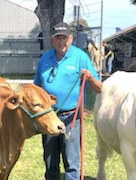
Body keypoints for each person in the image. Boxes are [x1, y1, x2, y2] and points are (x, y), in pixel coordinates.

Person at [34, 22, 102, 180]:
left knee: (71, 162)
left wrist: (90, 78)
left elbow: (99, 88)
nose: (61, 42)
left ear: (71, 38)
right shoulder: (45, 58)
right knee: (50, 162)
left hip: (71, 119)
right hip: (49, 117)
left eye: (64, 37)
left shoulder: (80, 57)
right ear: (52, 40)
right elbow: (36, 88)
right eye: (57, 38)